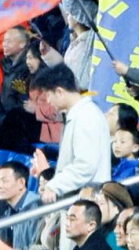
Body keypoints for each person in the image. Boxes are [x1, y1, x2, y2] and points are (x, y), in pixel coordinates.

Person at [31, 64, 111, 205]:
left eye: (48, 95)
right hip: (80, 199)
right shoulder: (79, 114)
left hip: (89, 202)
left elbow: (85, 166)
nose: (48, 101)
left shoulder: (86, 116)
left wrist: (55, 186)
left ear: (59, 92)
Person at [0, 161, 41, 250]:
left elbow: (39, 249)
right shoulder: (7, 213)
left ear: (21, 183)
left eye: (4, 181)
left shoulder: (37, 209)